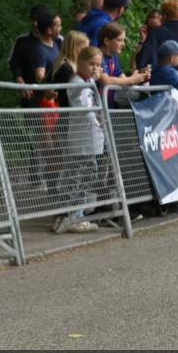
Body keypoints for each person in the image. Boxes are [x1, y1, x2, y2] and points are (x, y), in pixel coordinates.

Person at [52, 46, 105, 234]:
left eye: (98, 65)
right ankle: (71, 216)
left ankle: (76, 215)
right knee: (78, 178)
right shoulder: (77, 82)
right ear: (80, 62)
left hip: (90, 139)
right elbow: (81, 105)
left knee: (87, 176)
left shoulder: (88, 82)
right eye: (91, 64)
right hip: (81, 140)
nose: (95, 68)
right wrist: (92, 82)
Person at [9, 5, 60, 107]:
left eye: (39, 19)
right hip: (31, 94)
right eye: (33, 19)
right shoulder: (21, 41)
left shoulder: (59, 41)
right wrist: (23, 86)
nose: (36, 23)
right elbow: (14, 66)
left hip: (55, 96)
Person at [96, 23, 150, 106]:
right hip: (96, 107)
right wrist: (132, 79)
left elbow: (124, 80)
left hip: (108, 106)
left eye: (123, 40)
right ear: (106, 41)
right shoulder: (97, 56)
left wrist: (140, 75)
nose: (123, 44)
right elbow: (106, 80)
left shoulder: (114, 57)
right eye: (119, 40)